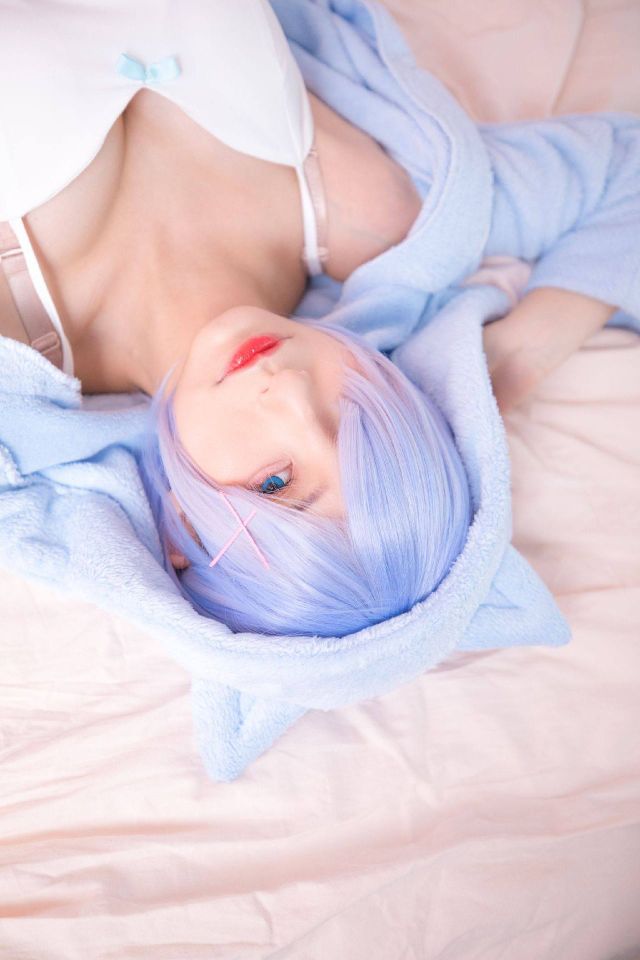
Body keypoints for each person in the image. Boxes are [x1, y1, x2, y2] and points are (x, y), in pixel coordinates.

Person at [0, 0, 624, 637]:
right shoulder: (376, 215)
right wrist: (509, 364)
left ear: (183, 529)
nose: (293, 393)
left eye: (275, 482)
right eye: (357, 418)